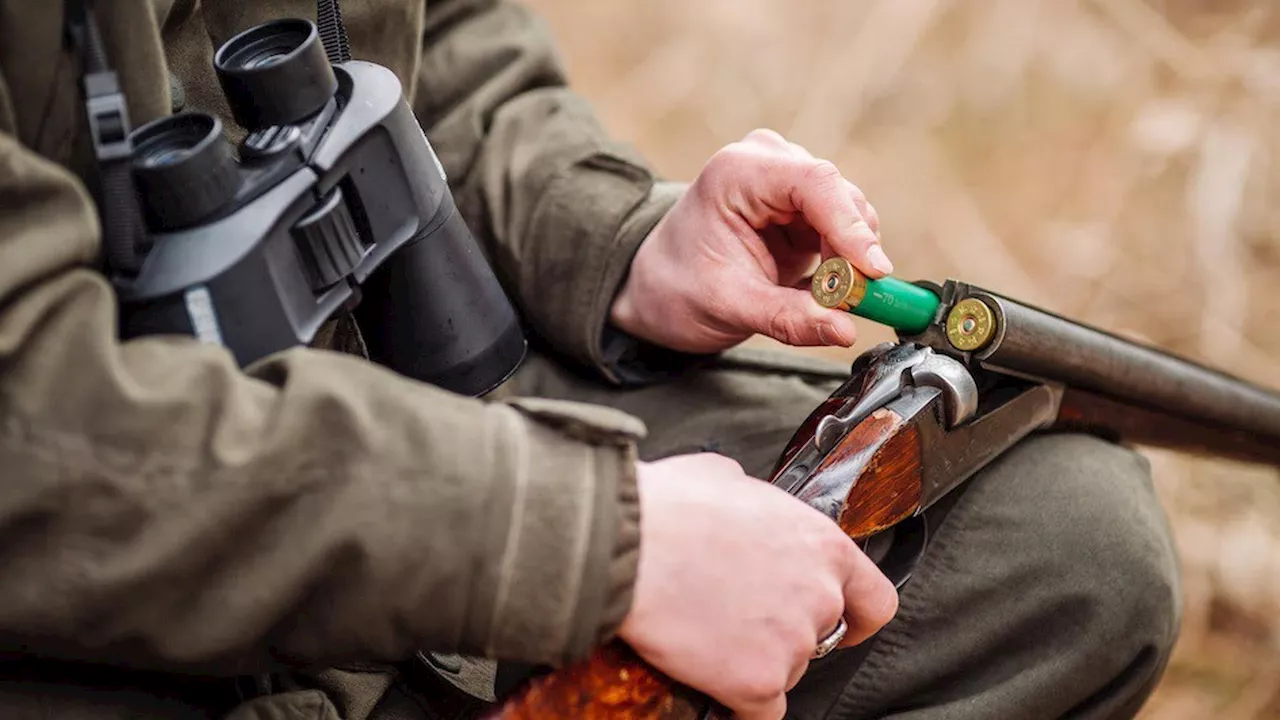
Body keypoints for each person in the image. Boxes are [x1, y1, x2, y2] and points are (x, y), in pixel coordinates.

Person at [0, 1, 1181, 719]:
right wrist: (587, 540)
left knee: (1071, 549)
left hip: (401, 417)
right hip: (120, 605)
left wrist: (616, 243)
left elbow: (434, 49)